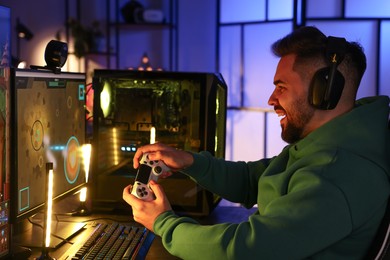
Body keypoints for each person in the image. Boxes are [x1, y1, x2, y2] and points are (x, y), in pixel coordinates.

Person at [123, 26, 390, 259]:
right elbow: (253, 180)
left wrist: (163, 222)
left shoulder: (337, 172)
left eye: (281, 87)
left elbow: (244, 250)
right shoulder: (328, 145)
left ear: (324, 91)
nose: (271, 100)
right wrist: (190, 162)